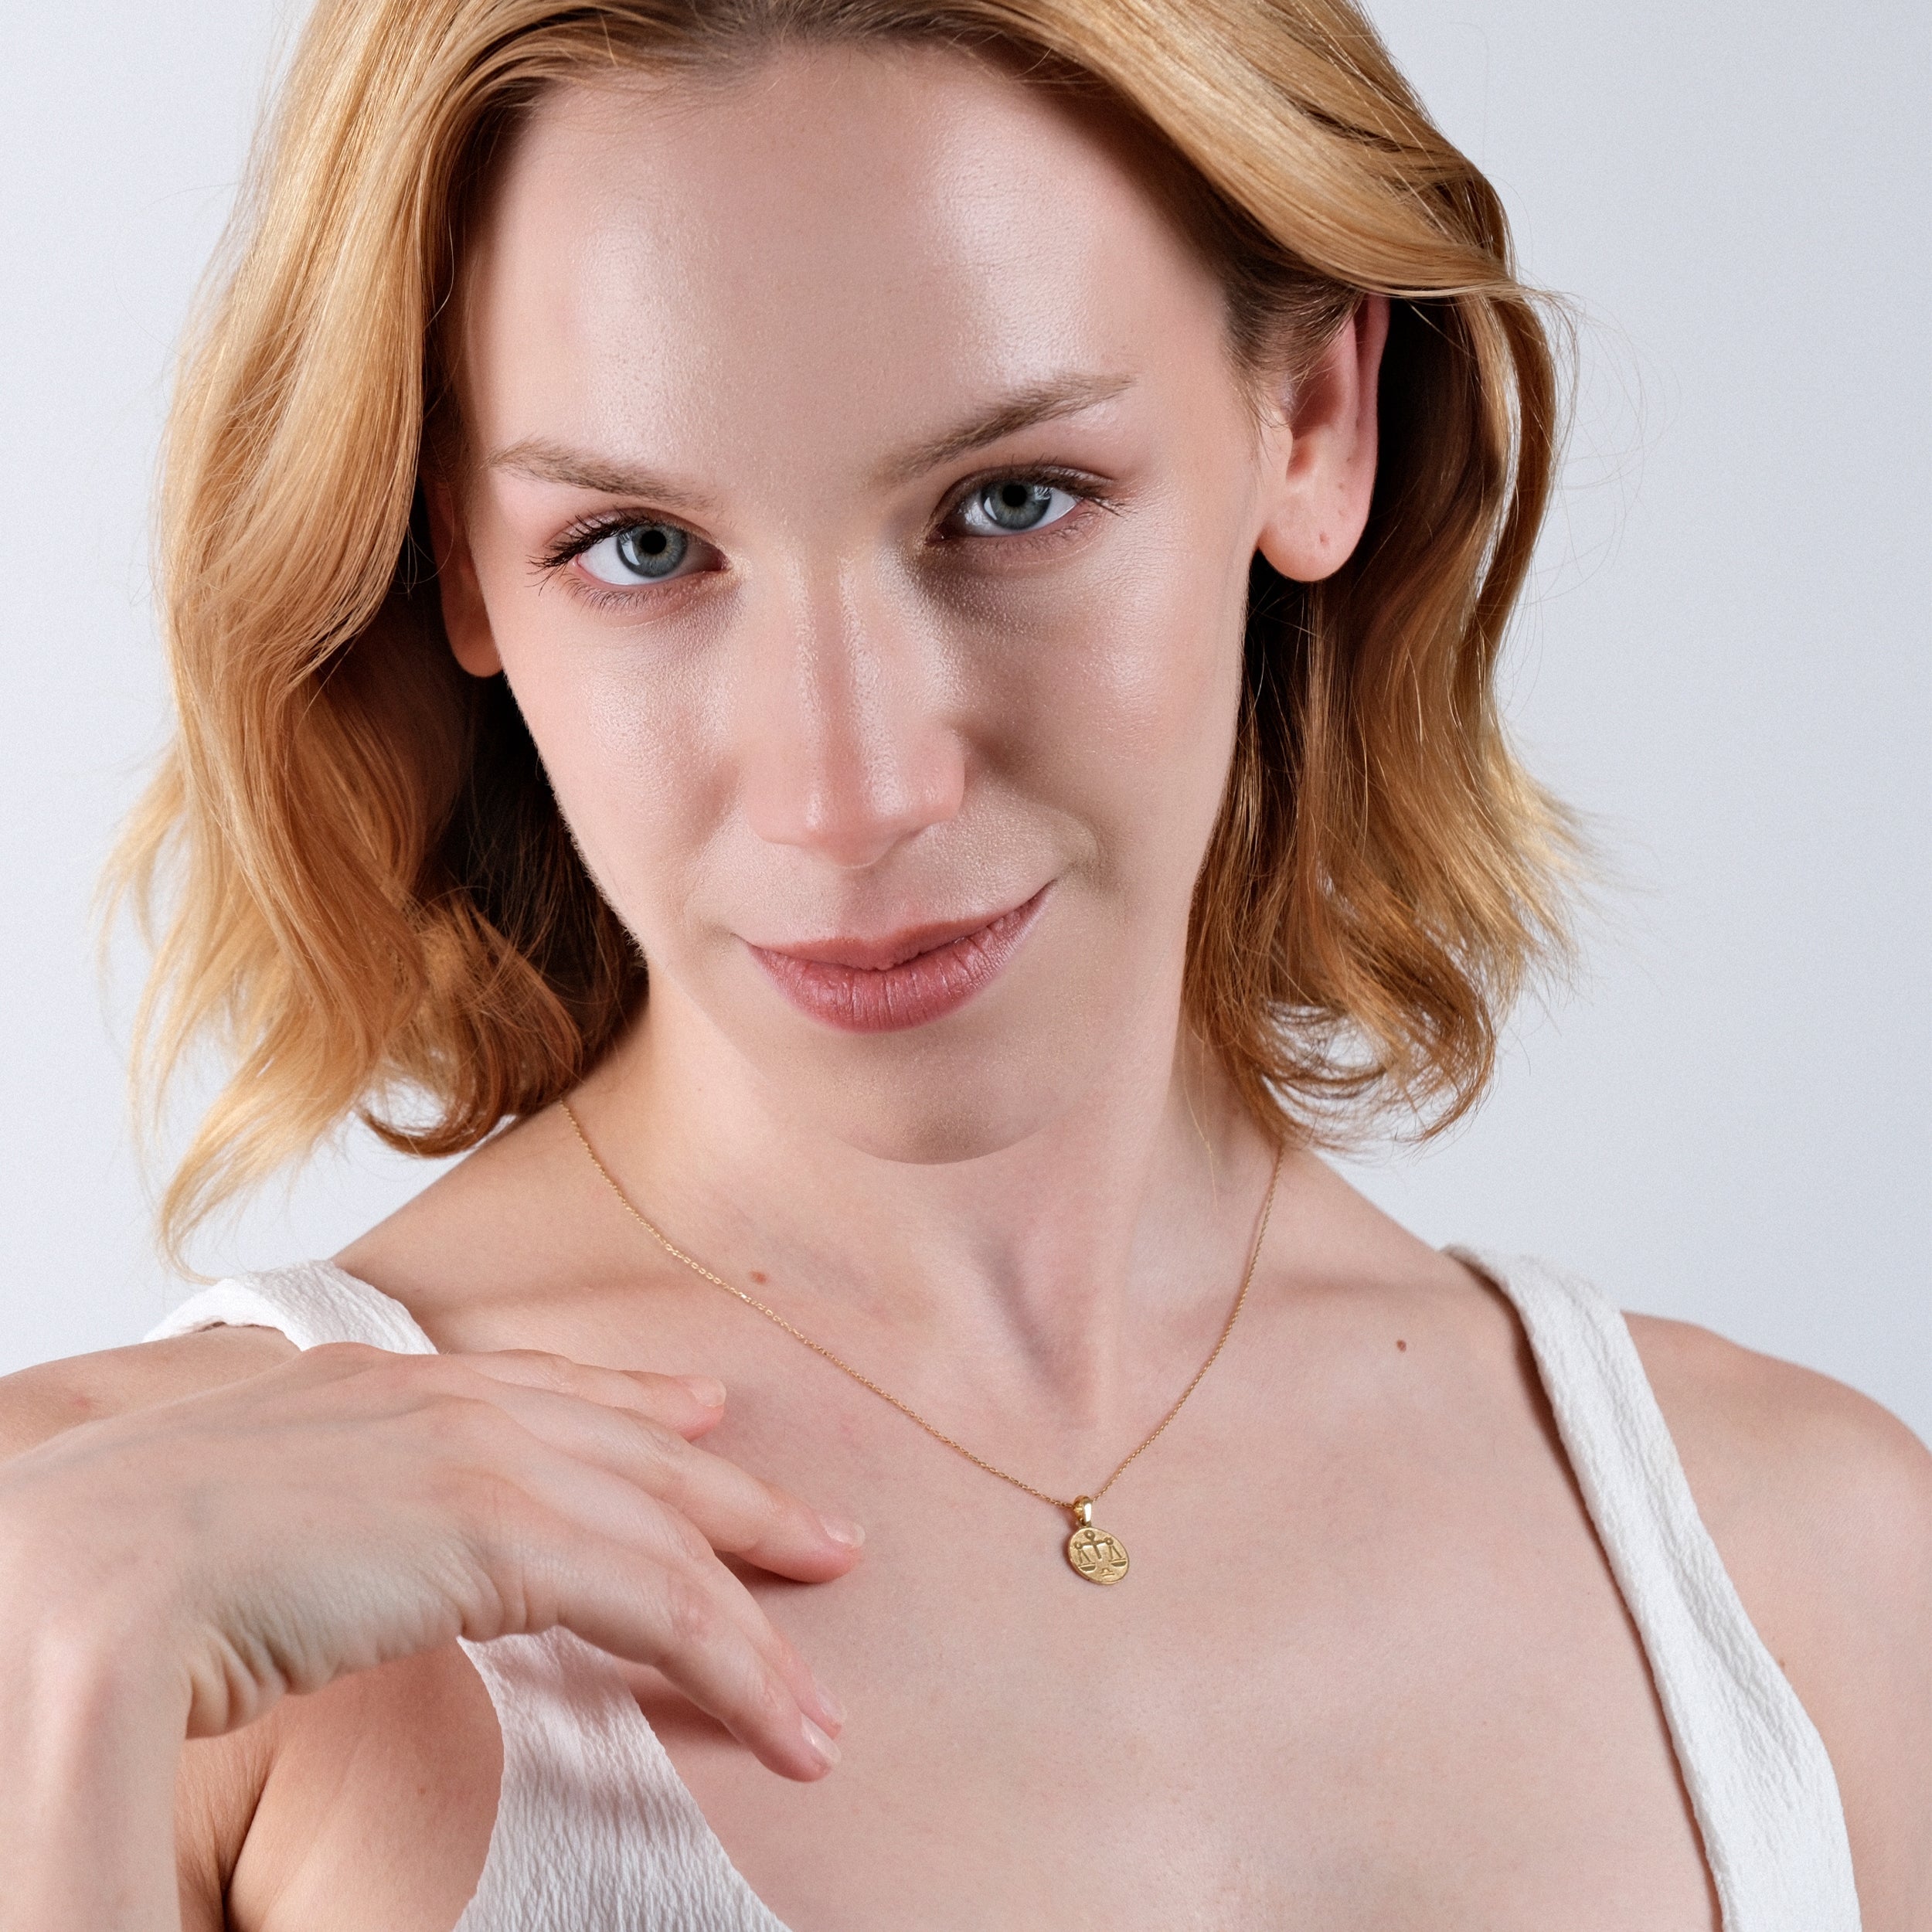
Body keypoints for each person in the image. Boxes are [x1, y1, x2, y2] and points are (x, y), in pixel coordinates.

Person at [0, 0, 1925, 1925]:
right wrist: (62, 1704)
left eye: (1011, 501)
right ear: (455, 563)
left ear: (1313, 421)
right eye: (642, 547)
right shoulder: (124, 1584)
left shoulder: (1805, 1571)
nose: (850, 794)